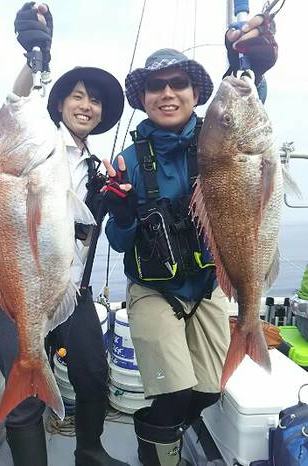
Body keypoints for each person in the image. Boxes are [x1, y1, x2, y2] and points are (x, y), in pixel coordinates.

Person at [102, 13, 278, 466]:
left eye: (177, 83)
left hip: (206, 286)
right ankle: (157, 452)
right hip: (152, 290)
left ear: (196, 94)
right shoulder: (127, 160)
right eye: (155, 86)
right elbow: (120, 242)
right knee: (173, 392)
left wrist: (251, 67)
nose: (167, 93)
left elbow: (243, 113)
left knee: (209, 389)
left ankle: (169, 430)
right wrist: (119, 213)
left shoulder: (217, 135)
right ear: (142, 99)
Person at [0, 3, 129, 466]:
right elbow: (15, 104)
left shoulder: (101, 167)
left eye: (95, 101)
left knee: (92, 375)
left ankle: (89, 449)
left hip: (73, 288)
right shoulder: (36, 142)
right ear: (60, 104)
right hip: (20, 288)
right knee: (24, 392)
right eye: (77, 96)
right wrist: (33, 58)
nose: (86, 105)